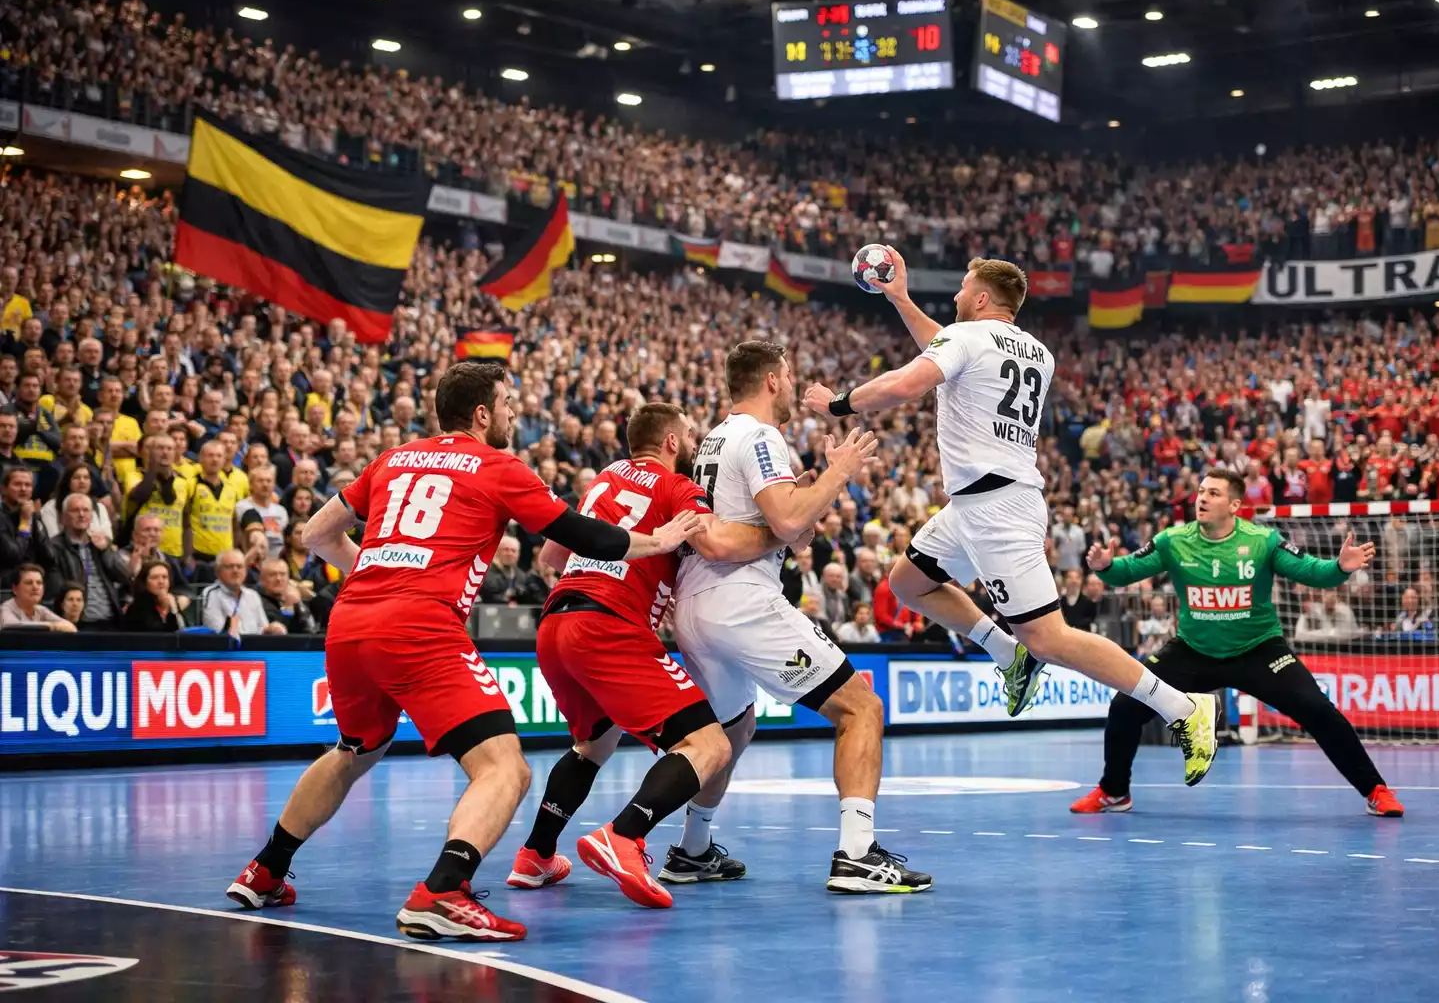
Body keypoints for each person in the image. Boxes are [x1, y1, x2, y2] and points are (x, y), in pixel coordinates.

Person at [227, 361, 701, 943]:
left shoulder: (394, 458)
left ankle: (265, 870)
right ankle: (444, 891)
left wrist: (376, 573)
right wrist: (661, 540)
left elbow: (315, 535)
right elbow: (582, 536)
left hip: (351, 621)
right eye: (506, 403)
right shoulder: (498, 465)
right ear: (481, 413)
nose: (512, 413)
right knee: (504, 768)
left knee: (355, 749)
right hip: (419, 627)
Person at [803, 249, 1219, 785]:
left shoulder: (966, 339)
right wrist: (900, 298)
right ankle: (1008, 654)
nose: (954, 297)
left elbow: (908, 382)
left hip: (996, 509)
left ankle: (1183, 708)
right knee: (907, 582)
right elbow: (948, 347)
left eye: (961, 289)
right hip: (978, 504)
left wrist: (838, 403)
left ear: (979, 298)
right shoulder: (1034, 352)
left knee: (1051, 638)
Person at [670, 340, 931, 894]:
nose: (791, 386)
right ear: (770, 380)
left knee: (732, 728)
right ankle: (858, 855)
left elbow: (787, 524)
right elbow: (788, 520)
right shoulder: (761, 435)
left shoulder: (713, 439)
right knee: (861, 708)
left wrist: (802, 508)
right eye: (787, 376)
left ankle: (692, 849)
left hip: (692, 604)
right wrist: (837, 474)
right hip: (741, 601)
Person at [509, 402, 782, 907]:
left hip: (556, 621)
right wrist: (782, 528)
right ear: (672, 443)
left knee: (594, 745)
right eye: (690, 435)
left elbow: (551, 555)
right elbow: (719, 543)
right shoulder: (677, 487)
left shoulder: (602, 480)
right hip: (606, 626)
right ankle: (624, 836)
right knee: (709, 745)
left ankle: (536, 856)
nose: (696, 442)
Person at [1072, 469, 1403, 819]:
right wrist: (1105, 567)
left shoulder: (1263, 541)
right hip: (1193, 650)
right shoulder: (1173, 540)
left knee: (1319, 712)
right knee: (1126, 705)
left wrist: (1339, 567)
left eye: (1213, 493)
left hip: (1259, 650)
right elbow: (1127, 571)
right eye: (1201, 491)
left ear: (1234, 505)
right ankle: (1114, 792)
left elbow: (1311, 571)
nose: (1202, 498)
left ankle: (1376, 791)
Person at [39, 492, 131, 629]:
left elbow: (125, 576)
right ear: (63, 518)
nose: (81, 514)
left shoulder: (101, 544)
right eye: (75, 510)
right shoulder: (54, 548)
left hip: (110, 620)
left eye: (86, 510)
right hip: (77, 623)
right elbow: (55, 590)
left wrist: (106, 550)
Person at [201, 548, 281, 636]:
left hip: (254, 647)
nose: (235, 571)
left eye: (239, 566)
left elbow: (263, 629)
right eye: (229, 567)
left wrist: (272, 629)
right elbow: (216, 631)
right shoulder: (211, 594)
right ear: (217, 571)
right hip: (227, 648)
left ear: (245, 571)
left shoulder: (253, 596)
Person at [39, 462, 114, 540]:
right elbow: (52, 538)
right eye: (77, 477)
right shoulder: (51, 507)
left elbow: (107, 538)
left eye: (86, 477)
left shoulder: (100, 508)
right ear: (68, 482)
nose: (82, 481)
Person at [1, 563, 75, 631]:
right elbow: (10, 626)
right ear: (15, 589)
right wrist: (52, 626)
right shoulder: (5, 609)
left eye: (39, 583)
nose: (35, 587)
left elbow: (69, 626)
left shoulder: (41, 610)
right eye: (29, 583)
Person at [256, 558, 318, 634]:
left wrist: (299, 604)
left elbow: (311, 629)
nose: (278, 578)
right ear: (262, 579)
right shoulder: (257, 600)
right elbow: (280, 632)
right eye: (272, 574)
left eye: (282, 574)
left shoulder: (293, 598)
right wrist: (288, 607)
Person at [122, 559, 187, 632]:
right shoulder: (138, 606)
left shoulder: (172, 600)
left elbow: (183, 629)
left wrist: (173, 609)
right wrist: (165, 607)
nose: (161, 581)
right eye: (155, 577)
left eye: (165, 577)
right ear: (144, 582)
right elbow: (158, 633)